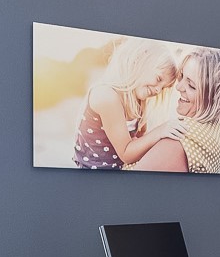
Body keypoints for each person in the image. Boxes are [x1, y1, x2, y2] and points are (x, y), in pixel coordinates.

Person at [71, 38, 178, 170]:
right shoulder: (107, 96)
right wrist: (160, 131)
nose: (158, 90)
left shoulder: (138, 101)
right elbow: (126, 153)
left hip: (120, 169)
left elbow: (139, 141)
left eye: (163, 88)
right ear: (138, 62)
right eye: (158, 79)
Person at [138, 48, 220, 174]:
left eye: (191, 86)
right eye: (181, 77)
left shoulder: (180, 136)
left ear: (214, 98)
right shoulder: (214, 127)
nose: (178, 87)